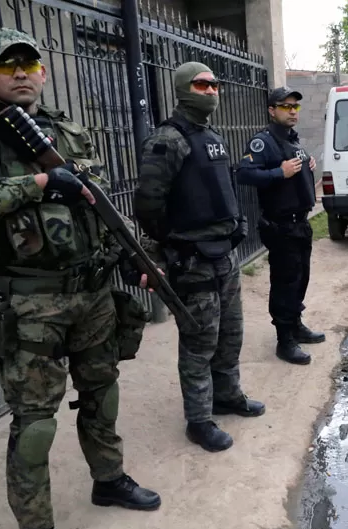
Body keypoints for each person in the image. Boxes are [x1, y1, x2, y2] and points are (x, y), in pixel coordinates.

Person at [0, 28, 160, 529]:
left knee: (102, 392)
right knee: (35, 423)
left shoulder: (68, 131)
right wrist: (36, 183)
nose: (21, 74)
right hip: (29, 300)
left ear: (44, 73)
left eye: (29, 65)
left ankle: (109, 479)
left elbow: (98, 209)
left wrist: (128, 259)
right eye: (7, 66)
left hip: (92, 294)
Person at [133, 62, 265, 453]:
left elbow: (222, 187)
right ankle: (199, 419)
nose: (211, 90)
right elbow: (148, 204)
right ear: (182, 88)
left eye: (214, 84)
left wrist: (236, 225)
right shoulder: (168, 140)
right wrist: (175, 244)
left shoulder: (211, 136)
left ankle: (227, 396)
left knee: (230, 335)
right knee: (199, 343)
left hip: (225, 256)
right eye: (202, 84)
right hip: (193, 261)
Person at [235, 87, 325, 365]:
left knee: (301, 279)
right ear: (272, 110)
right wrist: (279, 172)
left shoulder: (292, 140)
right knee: (285, 282)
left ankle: (296, 324)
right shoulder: (264, 142)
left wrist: (306, 163)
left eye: (295, 107)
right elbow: (244, 173)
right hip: (281, 226)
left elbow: (296, 169)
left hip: (301, 223)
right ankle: (284, 340)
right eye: (286, 107)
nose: (293, 111)